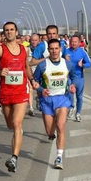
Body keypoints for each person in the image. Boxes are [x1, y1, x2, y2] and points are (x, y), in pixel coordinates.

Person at [0, 22, 39, 173]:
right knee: (11, 125)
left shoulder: (24, 49)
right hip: (6, 94)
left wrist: (32, 80)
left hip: (21, 92)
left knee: (17, 124)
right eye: (6, 30)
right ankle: (17, 134)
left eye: (11, 30)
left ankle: (14, 158)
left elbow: (27, 67)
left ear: (16, 32)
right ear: (4, 33)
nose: (9, 32)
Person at [33, 39, 76, 169]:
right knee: (50, 131)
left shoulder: (67, 64)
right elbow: (35, 81)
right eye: (51, 49)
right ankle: (52, 135)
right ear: (49, 50)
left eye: (56, 48)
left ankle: (59, 157)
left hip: (62, 99)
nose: (54, 51)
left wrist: (72, 85)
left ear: (60, 49)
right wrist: (40, 89)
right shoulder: (42, 65)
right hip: (47, 100)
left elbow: (73, 76)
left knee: (60, 126)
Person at [64, 35, 91, 122]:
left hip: (79, 77)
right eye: (72, 41)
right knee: (69, 92)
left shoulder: (82, 52)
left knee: (79, 96)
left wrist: (83, 65)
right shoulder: (66, 51)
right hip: (67, 76)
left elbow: (89, 63)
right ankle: (71, 108)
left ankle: (78, 113)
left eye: (75, 42)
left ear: (79, 43)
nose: (73, 43)